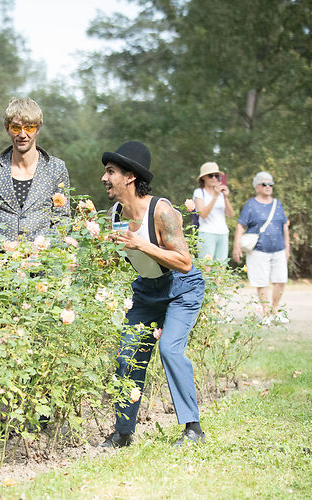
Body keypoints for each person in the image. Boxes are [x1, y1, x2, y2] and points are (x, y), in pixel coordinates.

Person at [98, 141, 206, 448]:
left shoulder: (162, 211)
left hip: (181, 288)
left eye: (111, 172)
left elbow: (184, 262)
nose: (105, 179)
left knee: (170, 349)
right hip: (146, 291)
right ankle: (123, 433)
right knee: (127, 354)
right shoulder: (114, 215)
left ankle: (193, 428)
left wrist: (141, 244)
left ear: (130, 177)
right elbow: (112, 259)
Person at [0, 97, 70, 241]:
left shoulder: (56, 168)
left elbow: (62, 220)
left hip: (43, 258)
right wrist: (3, 246)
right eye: (16, 128)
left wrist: (40, 247)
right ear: (7, 129)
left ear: (38, 129)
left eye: (29, 128)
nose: (22, 135)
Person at [232, 171, 290, 324]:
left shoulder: (277, 204)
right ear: (257, 187)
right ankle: (266, 314)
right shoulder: (251, 204)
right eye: (264, 184)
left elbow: (284, 226)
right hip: (258, 251)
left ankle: (275, 311)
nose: (268, 186)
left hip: (279, 249)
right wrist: (236, 246)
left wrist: (287, 247)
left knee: (280, 280)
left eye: (270, 184)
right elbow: (240, 226)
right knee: (262, 282)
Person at [192, 162, 234, 262]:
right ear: (203, 178)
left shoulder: (220, 194)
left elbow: (231, 215)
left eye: (217, 176)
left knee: (221, 269)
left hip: (223, 233)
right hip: (207, 233)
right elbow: (202, 215)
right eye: (211, 176)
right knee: (206, 268)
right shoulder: (199, 192)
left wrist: (225, 197)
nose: (214, 178)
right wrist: (214, 197)